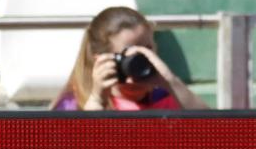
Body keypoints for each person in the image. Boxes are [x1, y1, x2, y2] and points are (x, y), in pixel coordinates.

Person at [52, 6, 205, 111]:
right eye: (127, 56)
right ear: (100, 60)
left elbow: (211, 130)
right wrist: (97, 100)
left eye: (147, 50)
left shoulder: (165, 98)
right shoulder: (74, 105)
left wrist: (170, 81)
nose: (138, 63)